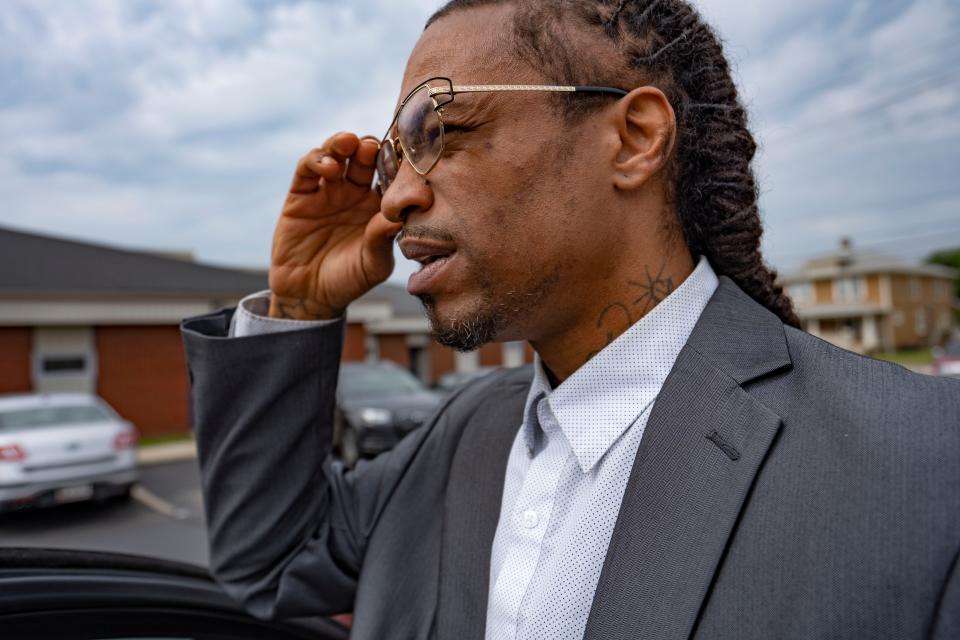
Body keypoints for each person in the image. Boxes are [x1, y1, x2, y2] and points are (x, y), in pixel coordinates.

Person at [180, 1, 960, 638]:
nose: (392, 200)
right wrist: (301, 307)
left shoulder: (923, 469)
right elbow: (268, 563)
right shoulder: (458, 435)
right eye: (393, 157)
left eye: (440, 131)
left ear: (634, 139)